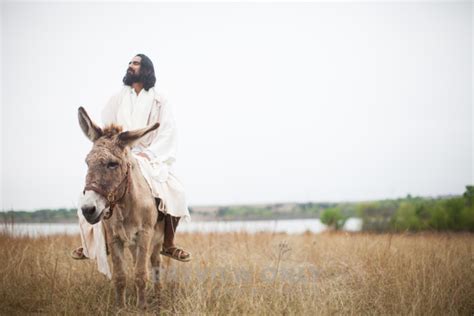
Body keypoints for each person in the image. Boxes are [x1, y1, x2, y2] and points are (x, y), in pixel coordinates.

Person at [72, 54, 191, 263]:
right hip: (120, 151)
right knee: (94, 191)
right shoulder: (117, 98)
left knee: (176, 191)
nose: (130, 66)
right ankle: (95, 244)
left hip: (150, 154)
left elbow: (167, 130)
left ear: (146, 69)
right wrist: (111, 145)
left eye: (135, 63)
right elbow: (107, 123)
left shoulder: (159, 99)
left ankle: (168, 244)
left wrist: (150, 153)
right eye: (129, 63)